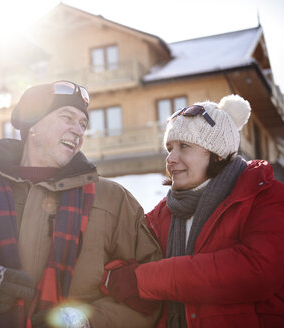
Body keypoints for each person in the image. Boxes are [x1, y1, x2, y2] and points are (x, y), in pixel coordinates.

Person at [0, 80, 162, 328]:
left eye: (83, 123)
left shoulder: (114, 200)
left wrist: (89, 323)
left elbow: (150, 293)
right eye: (67, 118)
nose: (79, 130)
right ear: (33, 124)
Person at [100, 94, 284, 327]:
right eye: (169, 148)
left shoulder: (265, 196)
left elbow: (256, 271)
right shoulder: (162, 215)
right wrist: (118, 275)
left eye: (184, 147)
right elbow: (127, 255)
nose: (170, 158)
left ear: (217, 153)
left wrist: (142, 279)